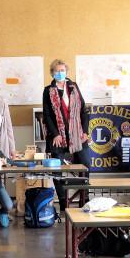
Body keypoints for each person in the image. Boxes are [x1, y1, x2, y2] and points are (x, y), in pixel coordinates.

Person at [42, 59, 90, 211]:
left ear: (67, 72)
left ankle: (84, 198)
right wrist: (55, 134)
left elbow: (83, 110)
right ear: (52, 73)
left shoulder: (74, 87)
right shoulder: (48, 90)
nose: (60, 73)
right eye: (57, 70)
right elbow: (47, 115)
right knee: (57, 170)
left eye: (62, 70)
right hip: (58, 137)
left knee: (85, 166)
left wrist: (85, 131)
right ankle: (63, 201)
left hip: (77, 135)